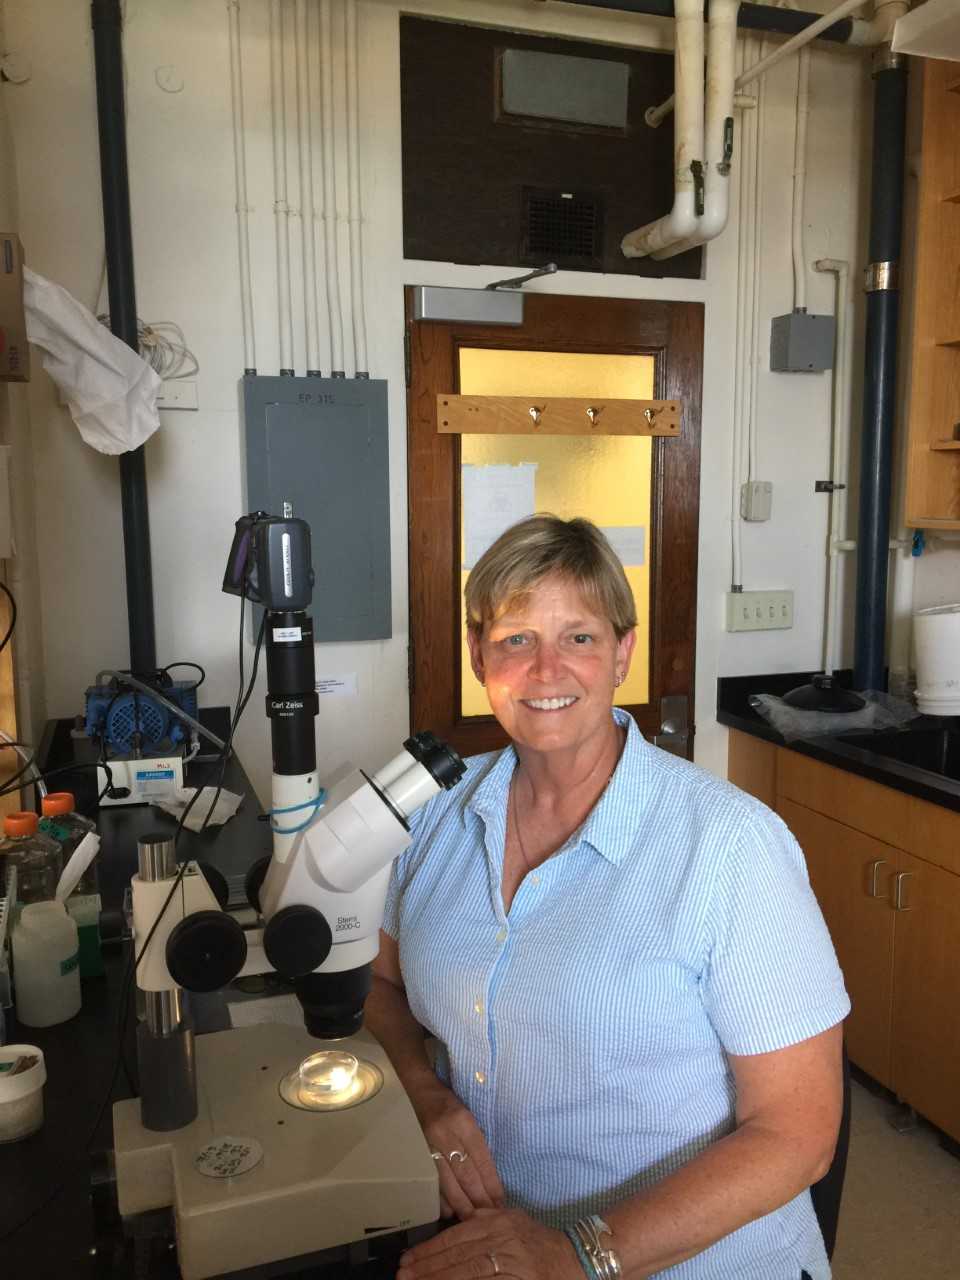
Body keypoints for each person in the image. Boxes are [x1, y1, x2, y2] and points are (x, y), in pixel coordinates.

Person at [365, 514, 849, 1280]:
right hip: (491, 1250)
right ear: (477, 657)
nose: (546, 669)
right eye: (516, 638)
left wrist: (574, 1253)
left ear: (624, 652)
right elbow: (381, 983)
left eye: (580, 637)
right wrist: (426, 1095)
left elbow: (798, 1133)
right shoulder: (437, 817)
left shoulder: (730, 848)